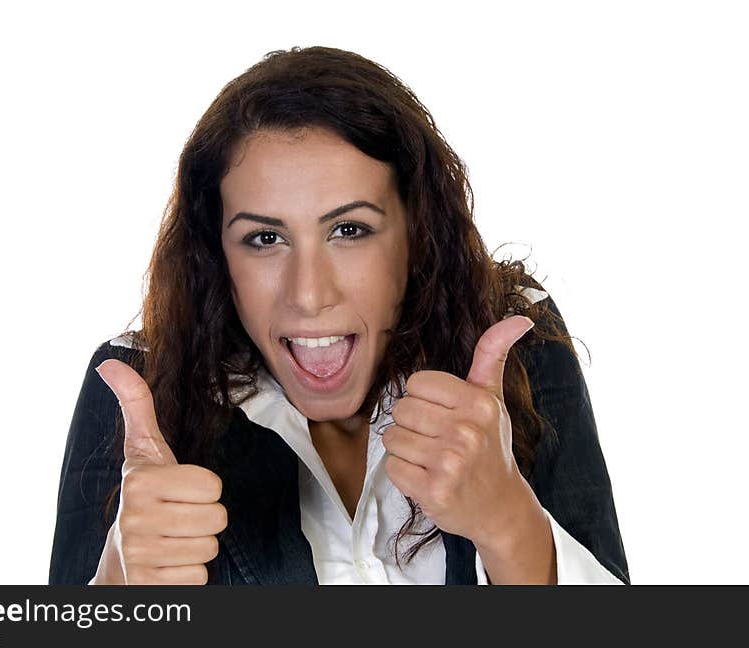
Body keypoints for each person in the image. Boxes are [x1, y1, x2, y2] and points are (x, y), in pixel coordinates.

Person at [49, 46, 629, 585]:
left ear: (416, 232)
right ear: (215, 253)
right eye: (264, 238)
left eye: (349, 230)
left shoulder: (513, 346)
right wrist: (119, 580)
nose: (308, 294)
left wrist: (508, 524)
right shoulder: (140, 388)